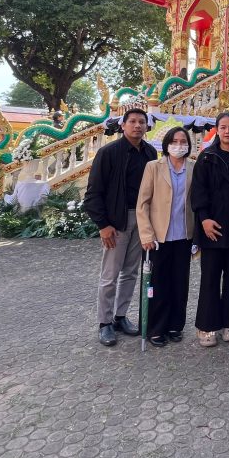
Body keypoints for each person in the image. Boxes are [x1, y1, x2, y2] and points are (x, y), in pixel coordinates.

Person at [84, 107, 158, 347]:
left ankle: (120, 316)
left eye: (142, 122)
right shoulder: (108, 153)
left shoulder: (150, 153)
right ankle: (104, 322)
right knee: (110, 275)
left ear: (147, 126)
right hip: (117, 220)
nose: (137, 126)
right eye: (132, 121)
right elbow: (93, 193)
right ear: (123, 125)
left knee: (131, 272)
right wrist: (103, 224)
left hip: (142, 219)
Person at [191, 111, 229, 347]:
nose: (228, 131)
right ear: (217, 130)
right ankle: (206, 326)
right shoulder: (207, 157)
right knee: (210, 278)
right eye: (223, 127)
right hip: (212, 228)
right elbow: (198, 191)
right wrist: (204, 219)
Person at [136, 126, 195, 346]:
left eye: (183, 141)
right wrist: (146, 234)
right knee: (157, 283)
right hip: (157, 237)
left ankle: (175, 325)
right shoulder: (154, 167)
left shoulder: (194, 167)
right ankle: (155, 327)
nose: (179, 145)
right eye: (175, 141)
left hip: (183, 235)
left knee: (179, 283)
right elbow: (142, 203)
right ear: (167, 144)